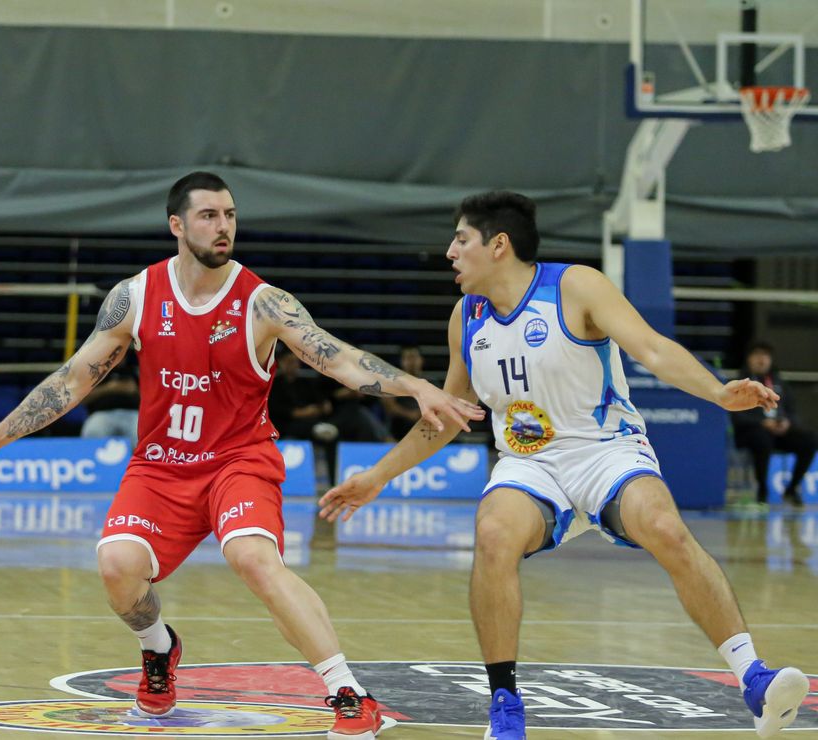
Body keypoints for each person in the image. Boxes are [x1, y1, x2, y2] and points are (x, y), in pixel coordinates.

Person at [0, 171, 482, 740]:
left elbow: (340, 360)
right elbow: (72, 380)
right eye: (209, 216)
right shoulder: (134, 296)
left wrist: (417, 387)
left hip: (239, 460)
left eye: (229, 214)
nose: (223, 225)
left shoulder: (263, 302)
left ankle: (348, 693)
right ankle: (159, 650)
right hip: (160, 464)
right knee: (116, 568)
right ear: (177, 225)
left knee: (255, 560)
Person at [319, 191, 809, 739]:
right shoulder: (466, 317)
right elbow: (447, 418)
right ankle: (505, 708)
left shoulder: (575, 286)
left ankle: (755, 679)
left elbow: (651, 348)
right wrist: (376, 476)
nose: (450, 252)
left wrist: (718, 393)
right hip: (529, 465)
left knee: (666, 527)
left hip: (605, 449)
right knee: (493, 532)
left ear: (498, 244)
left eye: (461, 239)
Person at [731, 340, 815, 508]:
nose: (762, 359)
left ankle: (791, 489)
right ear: (749, 359)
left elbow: (791, 411)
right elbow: (736, 415)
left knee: (810, 441)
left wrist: (786, 423)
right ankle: (762, 490)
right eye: (757, 355)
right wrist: (762, 422)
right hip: (751, 432)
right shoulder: (739, 383)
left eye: (765, 356)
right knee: (763, 440)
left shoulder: (779, 383)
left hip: (777, 432)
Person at [80, 354, 140, 448]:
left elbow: (149, 397)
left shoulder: (133, 371)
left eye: (122, 355)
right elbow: (83, 399)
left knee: (140, 431)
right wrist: (110, 388)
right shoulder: (97, 373)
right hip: (102, 414)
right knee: (93, 428)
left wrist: (135, 391)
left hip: (131, 414)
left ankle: (140, 461)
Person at [381, 347, 425, 439]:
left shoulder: (431, 383)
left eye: (414, 357)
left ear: (421, 360)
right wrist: (410, 415)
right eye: (408, 358)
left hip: (425, 423)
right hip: (399, 427)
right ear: (402, 361)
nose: (412, 362)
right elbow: (389, 407)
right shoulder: (393, 382)